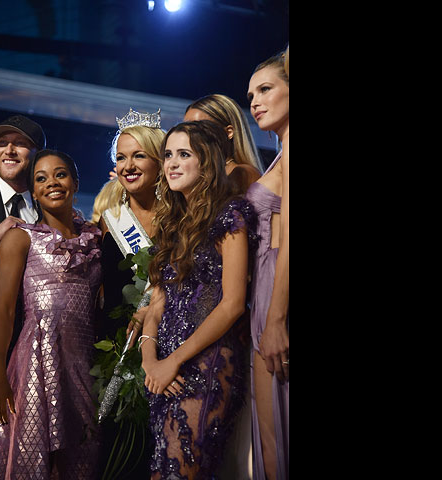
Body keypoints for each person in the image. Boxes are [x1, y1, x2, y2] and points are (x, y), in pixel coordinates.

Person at [139, 120, 258, 479]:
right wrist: (150, 361)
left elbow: (233, 303)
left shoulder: (229, 217)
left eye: (184, 154)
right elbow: (157, 302)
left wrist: (173, 361)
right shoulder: (171, 223)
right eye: (169, 155)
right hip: (163, 370)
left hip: (207, 364)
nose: (172, 163)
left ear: (206, 162)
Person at [0, 149, 102, 479]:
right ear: (32, 191)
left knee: (80, 460)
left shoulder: (96, 240)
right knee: (32, 459)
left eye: (60, 175)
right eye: (41, 178)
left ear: (75, 183)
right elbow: (3, 311)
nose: (52, 183)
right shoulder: (21, 239)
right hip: (35, 362)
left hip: (84, 365)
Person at [0, 114, 45, 479]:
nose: (9, 150)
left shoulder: (46, 207)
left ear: (35, 154)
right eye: (2, 143)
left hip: (28, 358)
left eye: (19, 143)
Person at [93, 108, 165, 479]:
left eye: (139, 155)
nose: (128, 165)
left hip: (166, 345)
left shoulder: (181, 216)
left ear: (159, 160)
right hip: (113, 347)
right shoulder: (108, 216)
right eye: (121, 157)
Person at [245, 50, 289, 480]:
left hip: (278, 286)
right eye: (251, 94)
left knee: (277, 434)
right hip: (264, 284)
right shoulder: (281, 152)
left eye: (266, 89)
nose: (255, 101)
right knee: (269, 437)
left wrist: (276, 318)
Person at [184, 93, 263, 192]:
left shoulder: (241, 173)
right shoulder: (197, 174)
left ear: (229, 132)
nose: (190, 136)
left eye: (200, 128)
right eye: (186, 129)